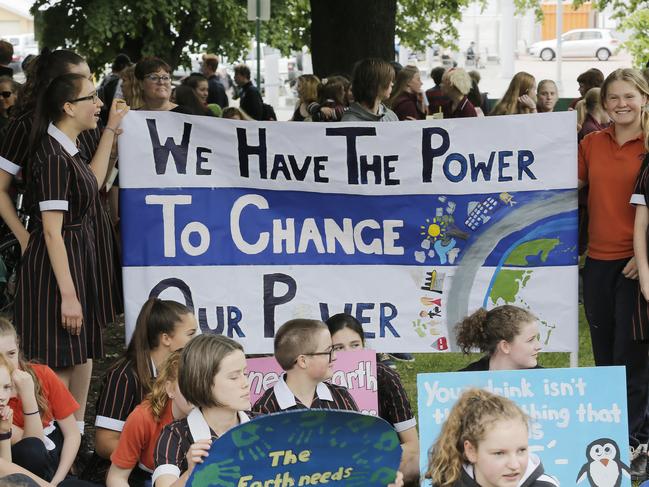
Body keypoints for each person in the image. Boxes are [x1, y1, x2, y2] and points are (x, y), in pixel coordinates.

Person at [0, 50, 124, 443]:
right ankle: (49, 441)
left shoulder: (71, 144)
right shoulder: (50, 154)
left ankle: (69, 437)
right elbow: (51, 232)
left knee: (80, 349)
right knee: (57, 355)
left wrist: (109, 132)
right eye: (91, 94)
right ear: (67, 103)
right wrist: (27, 240)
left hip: (79, 251)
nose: (100, 102)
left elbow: (92, 182)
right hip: (59, 257)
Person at [578, 68, 649, 479]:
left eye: (629, 96)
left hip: (636, 264)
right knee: (605, 356)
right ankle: (611, 435)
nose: (621, 104)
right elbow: (567, 188)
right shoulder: (591, 143)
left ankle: (637, 440)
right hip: (598, 264)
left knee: (631, 356)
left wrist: (644, 258)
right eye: (613, 98)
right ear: (603, 103)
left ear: (643, 98)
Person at [94, 298, 197, 461]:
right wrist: (157, 457)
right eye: (191, 334)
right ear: (166, 339)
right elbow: (104, 442)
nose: (196, 341)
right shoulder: (124, 376)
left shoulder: (186, 371)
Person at [326, 313, 419, 484]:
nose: (348, 353)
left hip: (384, 470)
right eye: (338, 348)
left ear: (364, 345)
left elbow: (412, 446)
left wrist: (371, 459)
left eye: (355, 345)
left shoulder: (384, 377)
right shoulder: (318, 380)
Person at [152, 334, 252, 487]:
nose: (246, 383)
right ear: (202, 383)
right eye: (233, 377)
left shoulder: (265, 425)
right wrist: (190, 474)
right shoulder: (176, 435)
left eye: (244, 373)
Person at [0, 318, 81, 484]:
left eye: (11, 353)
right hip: (21, 464)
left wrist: (57, 480)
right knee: (30, 450)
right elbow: (32, 446)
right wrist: (28, 396)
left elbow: (72, 434)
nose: (7, 362)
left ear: (18, 347)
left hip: (53, 464)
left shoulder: (42, 374)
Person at [426, 388, 559, 487]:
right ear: (471, 451)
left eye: (521, 450)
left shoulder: (545, 485)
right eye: (499, 453)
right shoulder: (450, 483)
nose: (514, 465)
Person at [107, 351, 193, 487]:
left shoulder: (216, 415)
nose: (196, 392)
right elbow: (116, 478)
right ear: (170, 388)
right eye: (188, 385)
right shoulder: (143, 418)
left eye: (202, 384)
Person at [253, 319, 358, 414]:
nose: (334, 357)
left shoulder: (342, 397)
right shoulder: (265, 409)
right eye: (328, 352)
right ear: (303, 361)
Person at [455, 305, 543, 371]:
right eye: (530, 340)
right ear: (505, 346)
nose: (539, 346)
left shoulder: (548, 383)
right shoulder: (459, 383)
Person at [341, 58, 398, 122]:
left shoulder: (391, 117)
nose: (392, 84)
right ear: (374, 83)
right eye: (387, 80)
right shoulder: (349, 122)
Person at [98, 54, 132, 125]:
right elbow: (117, 100)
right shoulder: (119, 80)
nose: (122, 84)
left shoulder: (107, 79)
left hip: (106, 115)